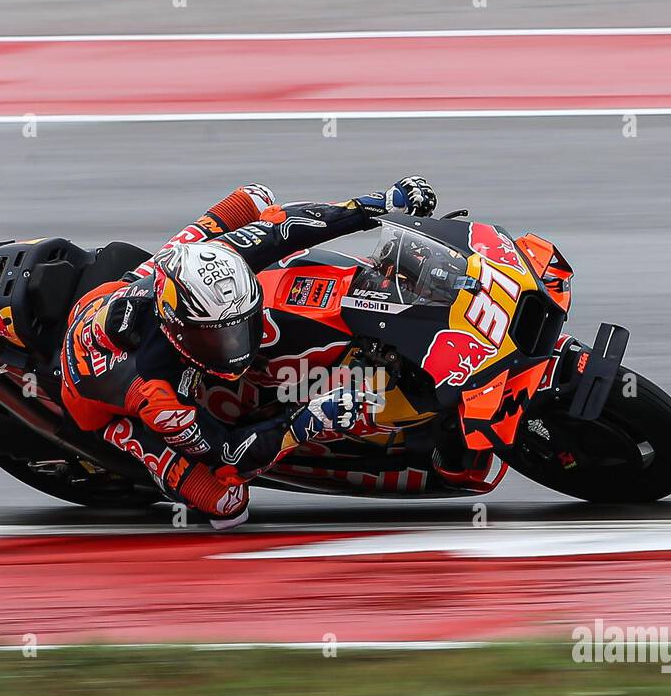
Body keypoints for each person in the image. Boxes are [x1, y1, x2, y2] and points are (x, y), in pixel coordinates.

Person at [60, 176, 438, 528]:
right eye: (219, 338)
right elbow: (227, 456)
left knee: (256, 198)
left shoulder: (221, 256)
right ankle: (135, 450)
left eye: (241, 326)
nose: (236, 345)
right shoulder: (159, 394)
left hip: (125, 287)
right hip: (94, 399)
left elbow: (292, 225)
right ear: (181, 332)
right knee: (228, 504)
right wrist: (311, 418)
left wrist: (383, 203)